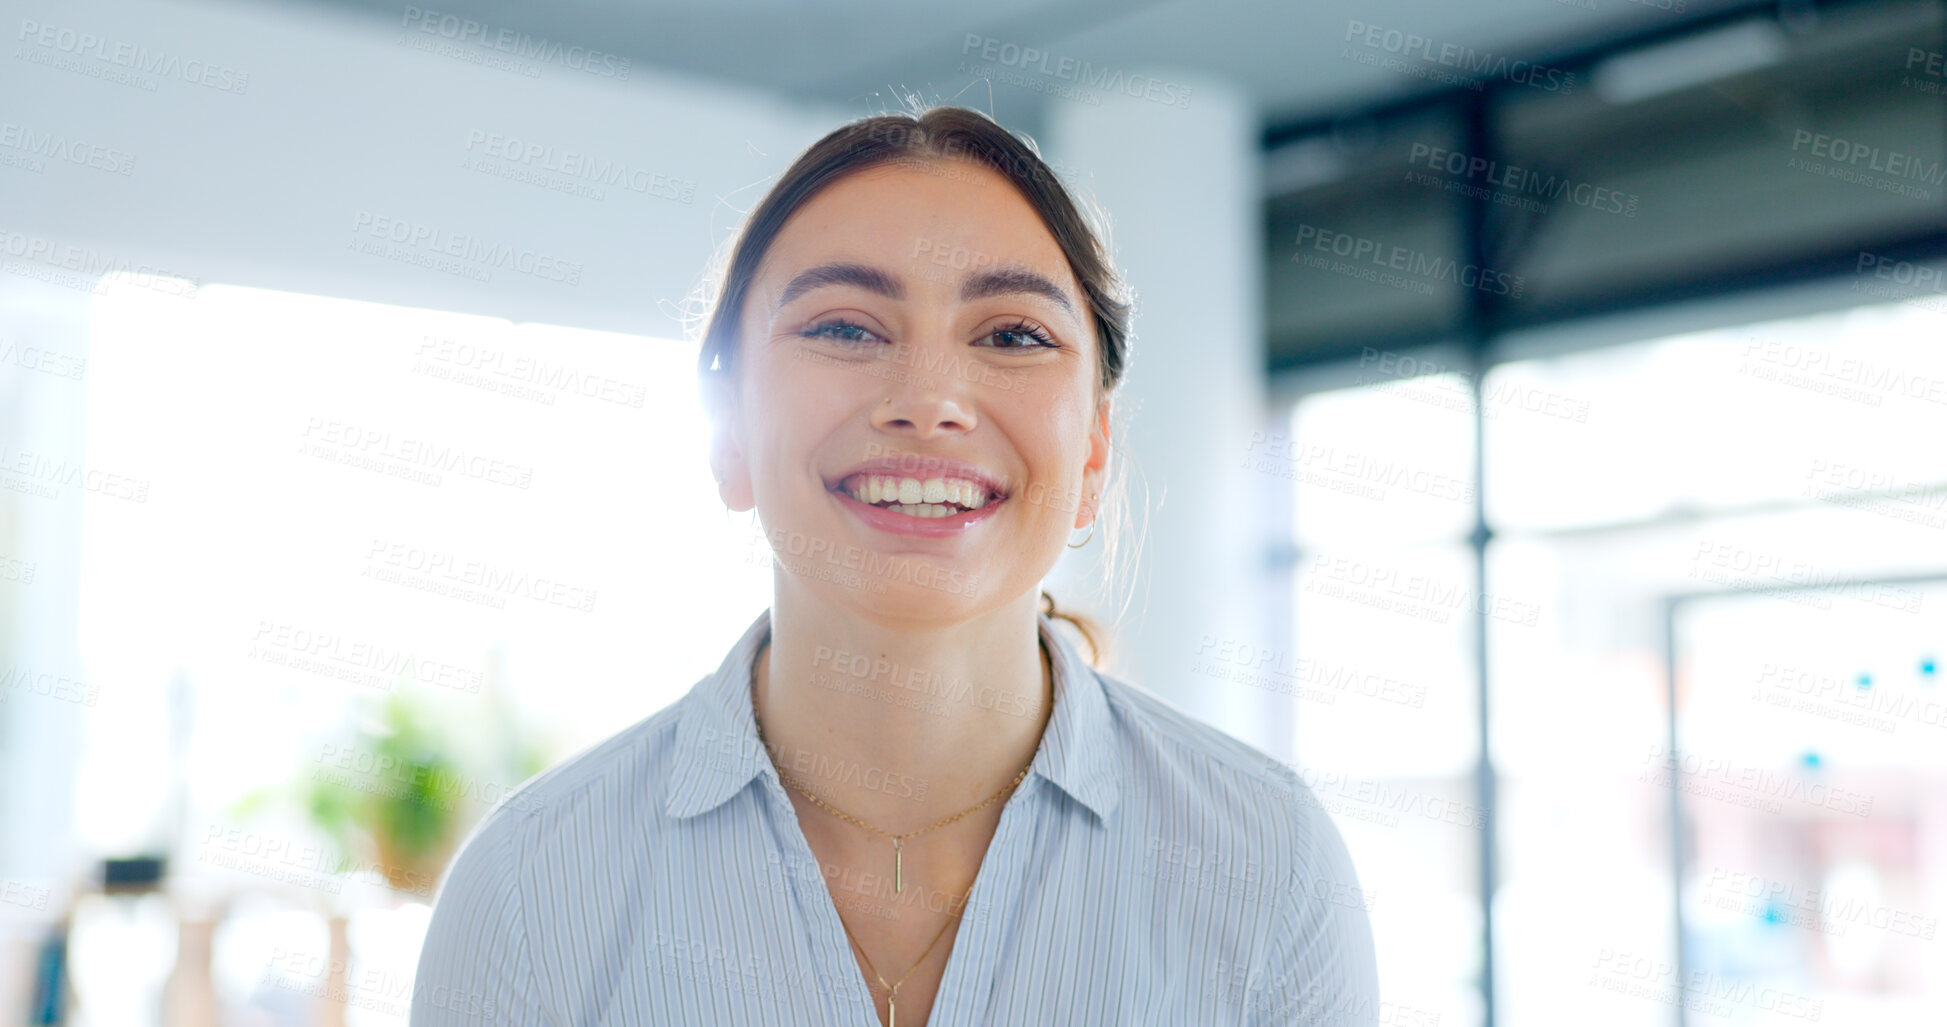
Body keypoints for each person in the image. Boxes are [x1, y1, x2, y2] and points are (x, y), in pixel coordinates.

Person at [411, 104, 1378, 1027]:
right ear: (729, 429)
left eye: (1011, 335)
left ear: (1092, 451)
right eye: (842, 328)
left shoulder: (1267, 863)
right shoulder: (534, 884)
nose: (928, 400)